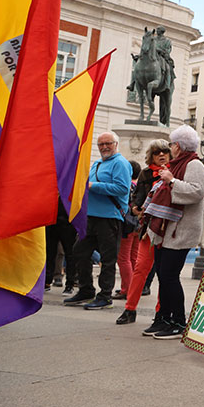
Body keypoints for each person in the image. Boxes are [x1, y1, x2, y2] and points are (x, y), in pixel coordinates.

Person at [141, 125, 204, 339]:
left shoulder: (195, 165)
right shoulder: (175, 164)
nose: (170, 148)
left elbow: (197, 193)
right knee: (163, 275)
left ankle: (178, 321)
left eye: (171, 144)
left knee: (169, 276)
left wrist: (171, 180)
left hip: (181, 230)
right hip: (166, 230)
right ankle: (164, 318)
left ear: (177, 146)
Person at [63, 132, 131, 310]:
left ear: (116, 144)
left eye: (108, 143)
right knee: (79, 251)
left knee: (108, 259)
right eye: (101, 144)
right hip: (91, 217)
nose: (104, 147)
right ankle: (86, 290)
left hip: (109, 218)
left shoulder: (120, 163)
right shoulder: (97, 163)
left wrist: (93, 186)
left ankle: (105, 296)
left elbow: (122, 188)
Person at [117, 140, 171, 326]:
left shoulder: (176, 173)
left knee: (165, 273)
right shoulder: (146, 173)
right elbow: (135, 198)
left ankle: (160, 313)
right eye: (157, 153)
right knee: (140, 269)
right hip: (148, 228)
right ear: (151, 156)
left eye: (165, 151)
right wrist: (135, 209)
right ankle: (130, 309)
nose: (161, 155)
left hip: (169, 230)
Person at [113, 160, 142, 300]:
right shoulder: (139, 186)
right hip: (138, 225)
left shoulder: (127, 186)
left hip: (127, 225)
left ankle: (127, 289)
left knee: (123, 258)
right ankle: (134, 287)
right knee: (134, 257)